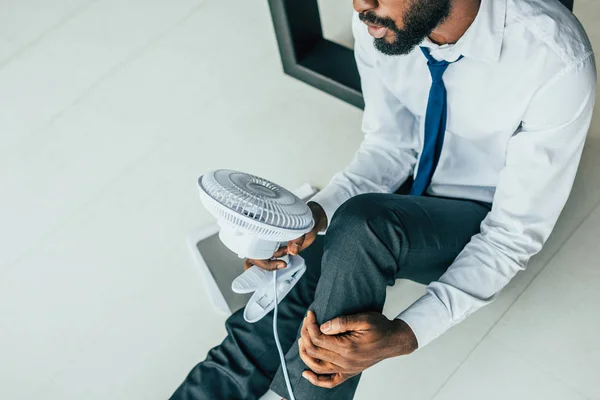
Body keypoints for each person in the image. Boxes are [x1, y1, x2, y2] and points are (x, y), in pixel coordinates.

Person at [171, 0, 596, 398]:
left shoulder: (555, 62)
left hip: (476, 219)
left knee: (363, 225)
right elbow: (390, 147)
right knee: (260, 328)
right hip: (392, 196)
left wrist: (406, 334)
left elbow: (509, 236)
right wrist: (310, 218)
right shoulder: (382, 22)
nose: (358, 6)